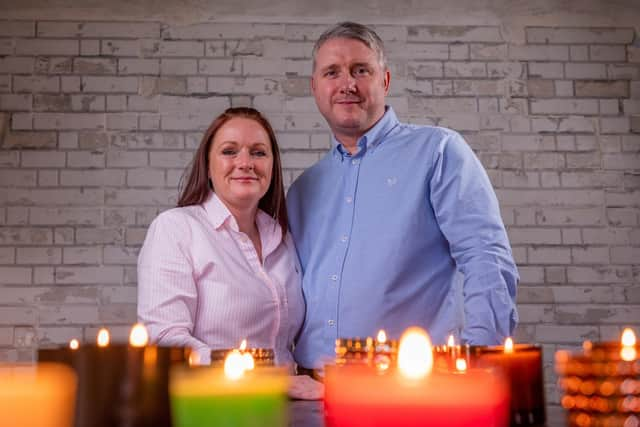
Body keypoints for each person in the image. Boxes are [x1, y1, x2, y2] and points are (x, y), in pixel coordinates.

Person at [287, 22, 519, 371]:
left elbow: (486, 260)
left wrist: (477, 364)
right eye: (332, 72)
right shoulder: (303, 188)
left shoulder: (439, 152)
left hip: (409, 386)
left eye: (360, 70)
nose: (347, 84)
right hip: (311, 388)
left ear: (385, 80)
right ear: (315, 87)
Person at [137, 107, 304, 368]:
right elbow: (166, 340)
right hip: (215, 400)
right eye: (229, 151)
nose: (246, 162)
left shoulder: (282, 238)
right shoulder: (176, 229)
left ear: (273, 165)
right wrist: (257, 376)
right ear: (208, 164)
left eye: (259, 152)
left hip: (286, 401)